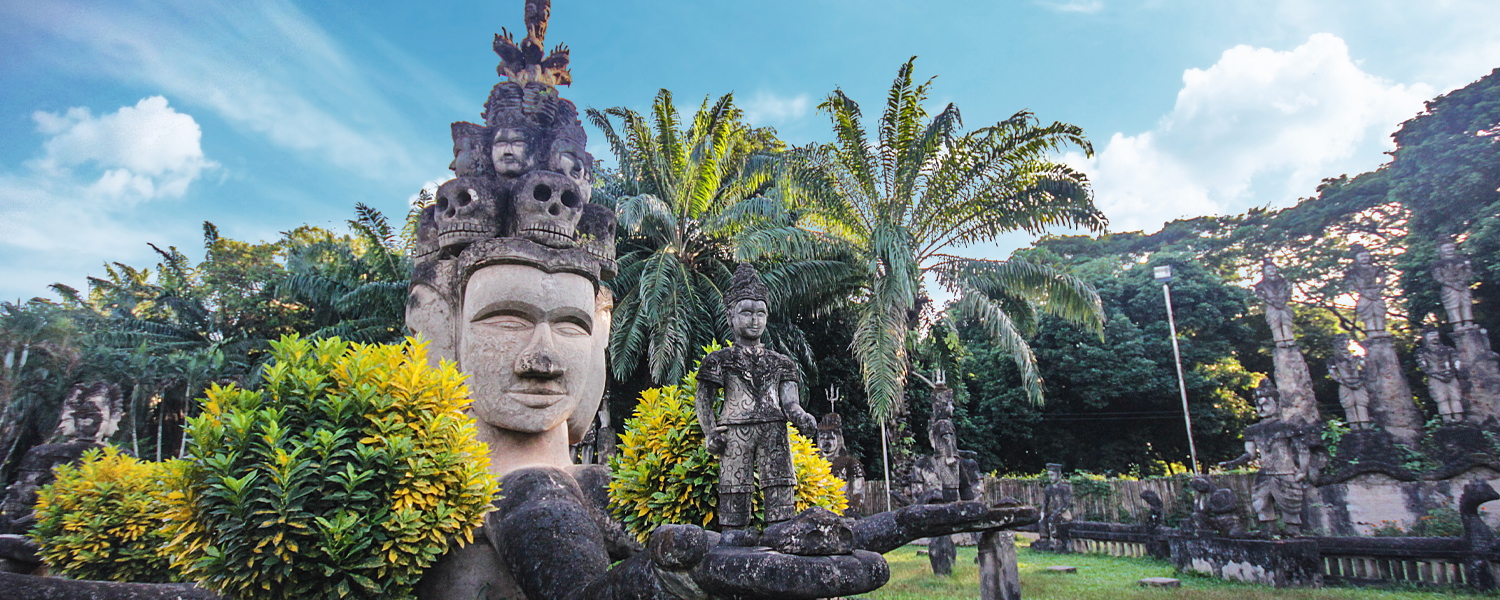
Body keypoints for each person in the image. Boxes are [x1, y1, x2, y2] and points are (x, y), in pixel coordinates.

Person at [696, 264, 819, 535]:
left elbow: (790, 402)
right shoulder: (719, 360)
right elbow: (704, 399)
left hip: (774, 429)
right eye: (747, 312)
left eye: (760, 313)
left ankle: (781, 535)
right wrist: (709, 431)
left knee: (780, 488)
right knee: (734, 489)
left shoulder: (782, 363)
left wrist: (801, 417)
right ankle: (734, 538)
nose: (754, 320)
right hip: (735, 431)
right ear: (730, 316)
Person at [1220, 381, 1311, 537]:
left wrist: (1302, 470)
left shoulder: (1287, 427)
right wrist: (1233, 463)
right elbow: (1250, 454)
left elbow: (1303, 450)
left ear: (1276, 404)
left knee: (1290, 505)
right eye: (1258, 404)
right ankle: (1269, 531)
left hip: (1285, 471)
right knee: (1261, 503)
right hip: (1265, 473)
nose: (1261, 408)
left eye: (1266, 403)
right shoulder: (1252, 430)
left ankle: (1293, 532)